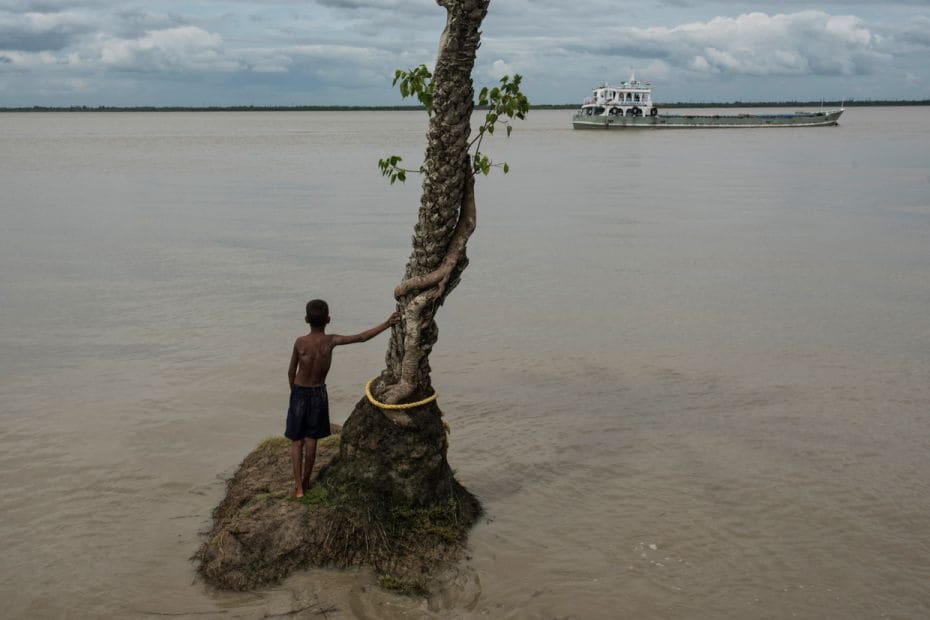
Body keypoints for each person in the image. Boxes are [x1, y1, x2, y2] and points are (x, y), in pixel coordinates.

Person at [286, 298, 400, 498]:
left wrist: (294, 393)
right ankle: (306, 481)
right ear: (328, 319)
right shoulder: (331, 341)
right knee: (311, 438)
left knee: (297, 441)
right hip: (318, 393)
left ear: (306, 319)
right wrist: (386, 324)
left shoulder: (299, 342)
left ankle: (298, 487)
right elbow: (362, 337)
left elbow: (290, 371)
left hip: (299, 392)